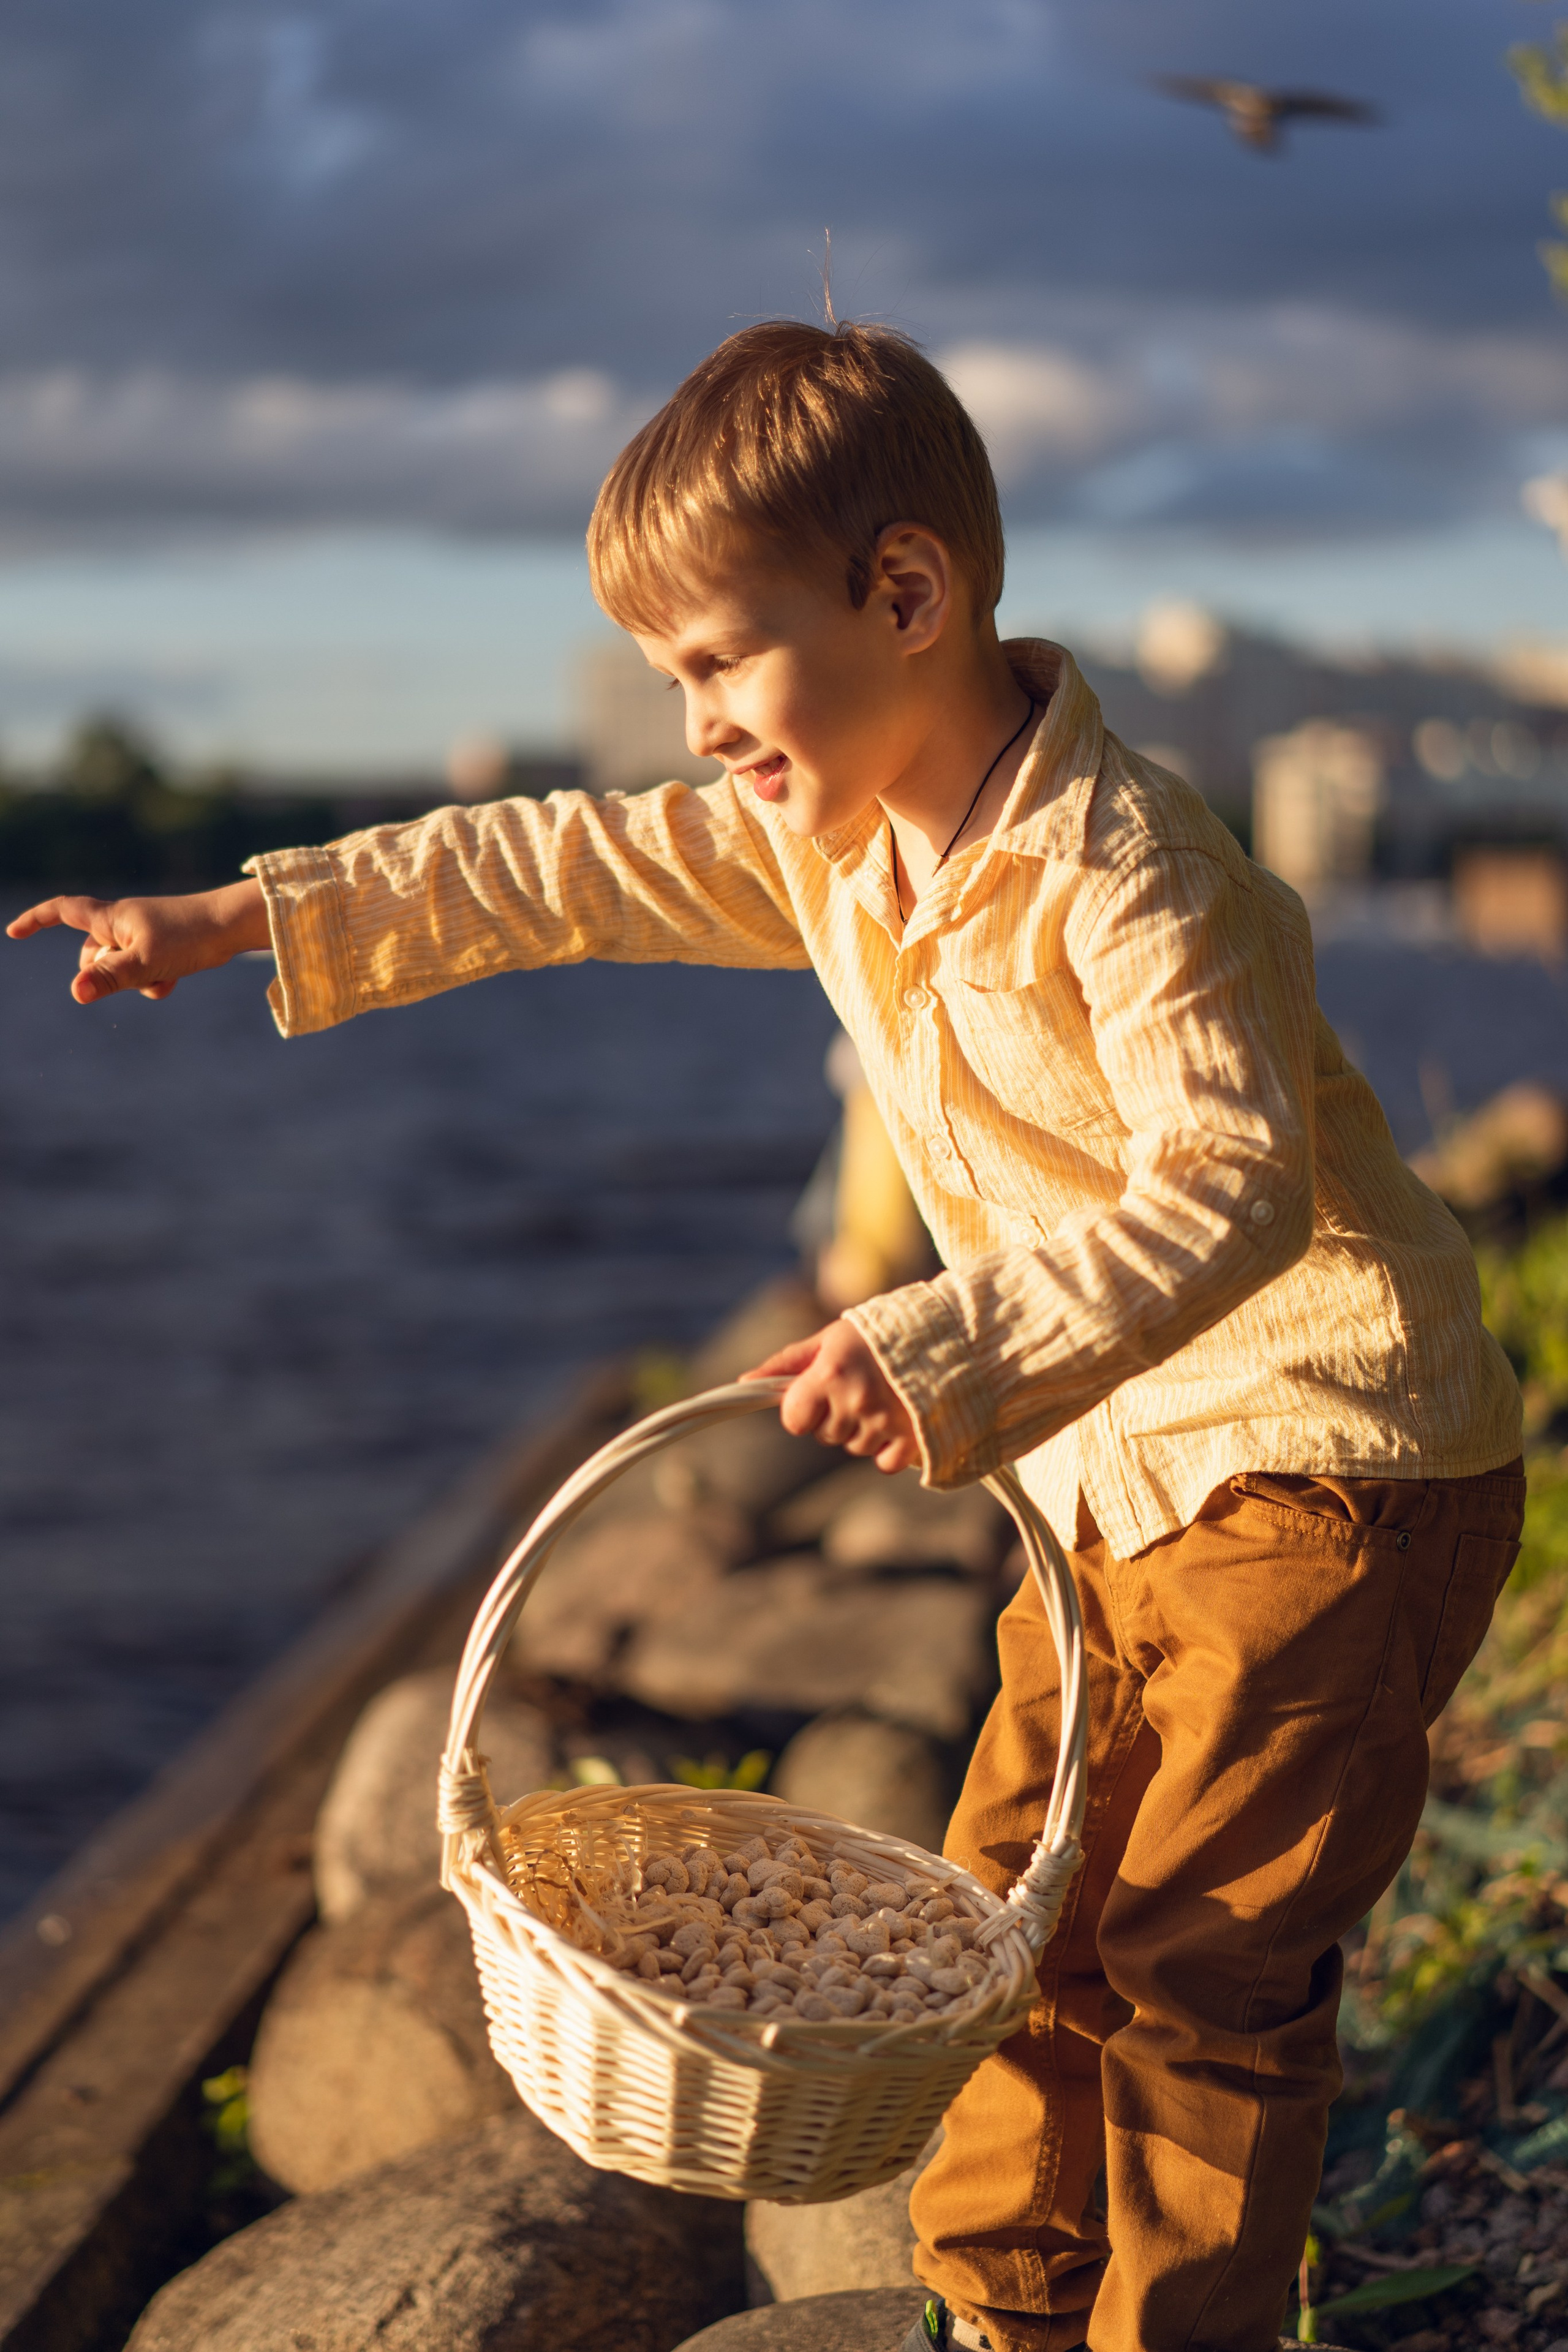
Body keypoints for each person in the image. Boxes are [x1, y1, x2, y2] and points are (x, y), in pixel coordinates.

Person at [8, 320, 1524, 2352]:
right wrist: (249, 918)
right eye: (673, 683)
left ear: (905, 596)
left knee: (1200, 1970)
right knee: (1002, 1931)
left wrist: (951, 1345)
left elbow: (1232, 1182)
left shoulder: (1134, 871)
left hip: (1330, 1459)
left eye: (721, 661)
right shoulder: (835, 826)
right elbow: (548, 861)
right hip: (1114, 1472)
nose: (699, 724)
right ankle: (995, 2315)